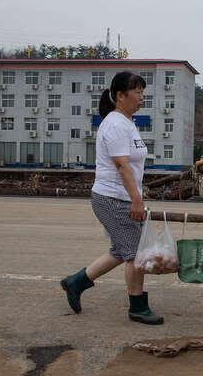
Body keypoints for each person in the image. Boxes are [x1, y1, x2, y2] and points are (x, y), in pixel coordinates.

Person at [60, 71, 163, 325]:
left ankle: (76, 282)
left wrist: (136, 197)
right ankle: (137, 307)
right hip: (114, 198)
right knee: (135, 254)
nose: (141, 98)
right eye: (137, 93)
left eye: (142, 93)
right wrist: (137, 200)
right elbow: (122, 166)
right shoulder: (116, 124)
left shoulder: (127, 122)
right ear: (120, 95)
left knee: (121, 250)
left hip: (120, 196)